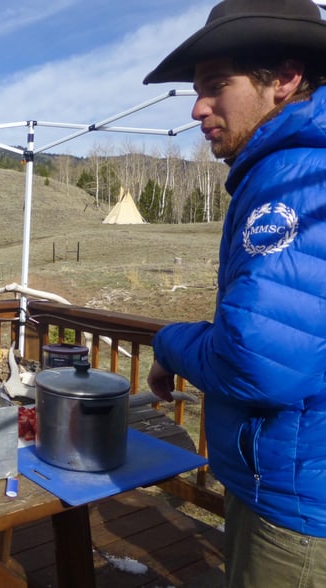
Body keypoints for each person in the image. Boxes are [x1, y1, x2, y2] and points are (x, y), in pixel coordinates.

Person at [144, 0, 326, 586]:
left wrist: (170, 342)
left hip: (295, 499)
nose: (199, 108)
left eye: (217, 86)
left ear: (287, 80)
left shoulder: (293, 179)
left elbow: (259, 360)